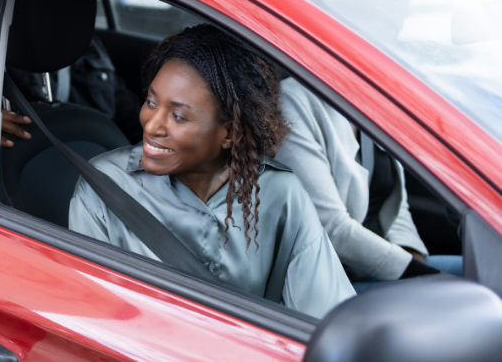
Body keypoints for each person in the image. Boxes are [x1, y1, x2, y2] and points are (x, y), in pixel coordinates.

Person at [69, 25, 354, 318]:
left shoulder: (281, 193)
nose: (151, 125)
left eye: (178, 116)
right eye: (151, 102)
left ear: (230, 133)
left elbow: (326, 314)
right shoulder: (104, 185)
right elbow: (94, 317)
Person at [276, 78, 461, 291]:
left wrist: (412, 255)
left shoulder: (367, 97)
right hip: (329, 285)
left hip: (380, 268)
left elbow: (394, 199)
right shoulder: (291, 103)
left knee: (485, 280)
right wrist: (417, 273)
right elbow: (329, 226)